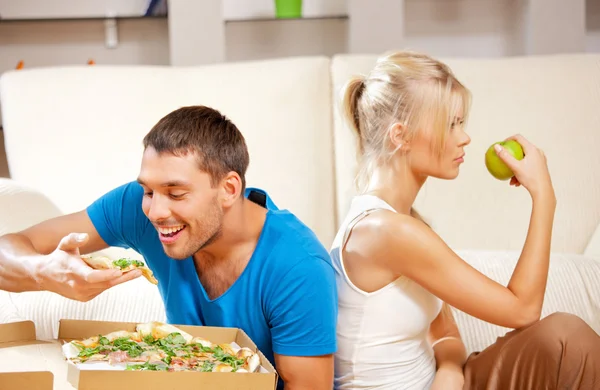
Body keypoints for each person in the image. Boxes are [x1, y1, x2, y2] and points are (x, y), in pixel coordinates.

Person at [0, 105, 337, 390]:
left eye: (176, 194)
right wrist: (43, 272)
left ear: (229, 188)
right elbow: (9, 249)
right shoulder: (138, 208)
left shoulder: (298, 268)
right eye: (148, 191)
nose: (156, 211)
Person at [330, 51, 600, 390]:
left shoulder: (406, 221)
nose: (464, 137)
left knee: (563, 341)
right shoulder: (386, 232)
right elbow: (523, 310)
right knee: (565, 339)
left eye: (461, 122)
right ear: (401, 136)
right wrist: (544, 196)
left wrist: (449, 373)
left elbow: (444, 330)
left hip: (446, 382)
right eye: (450, 124)